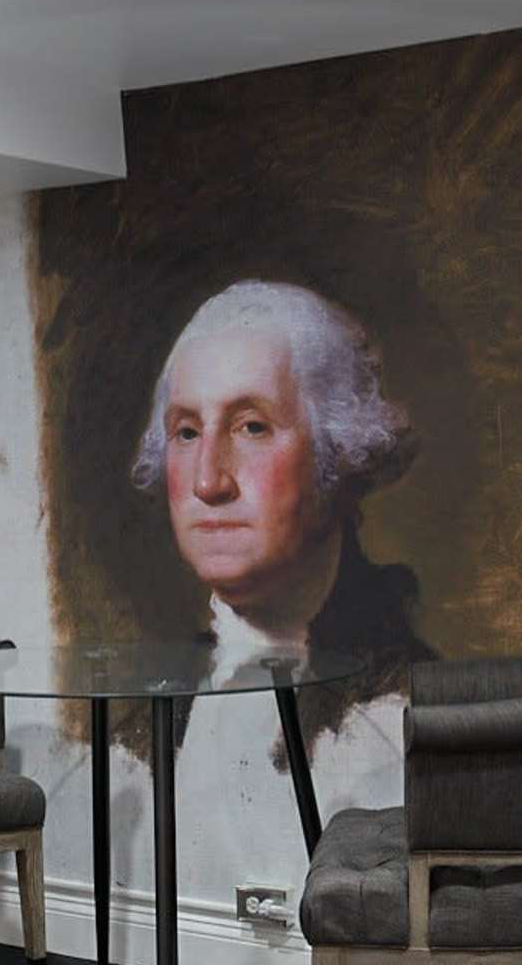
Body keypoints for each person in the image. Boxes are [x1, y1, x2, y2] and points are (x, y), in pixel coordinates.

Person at [129, 279, 429, 675]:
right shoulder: (172, 691)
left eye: (252, 427)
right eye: (187, 432)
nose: (208, 483)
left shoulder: (400, 700)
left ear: (339, 453)